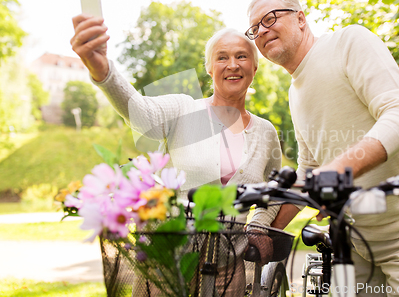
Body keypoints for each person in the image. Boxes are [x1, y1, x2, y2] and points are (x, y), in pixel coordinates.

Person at [246, 0, 399, 297]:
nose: (262, 30)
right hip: (354, 241)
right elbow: (310, 169)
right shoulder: (295, 92)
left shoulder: (348, 42)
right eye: (254, 29)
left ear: (300, 18)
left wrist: (336, 170)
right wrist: (264, 223)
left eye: (270, 18)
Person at [70, 15, 282, 294]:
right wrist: (102, 69)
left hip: (227, 271)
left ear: (254, 67)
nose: (232, 65)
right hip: (167, 264)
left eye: (242, 56)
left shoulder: (265, 132)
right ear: (209, 67)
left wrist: (259, 225)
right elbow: (140, 113)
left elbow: (277, 188)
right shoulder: (184, 109)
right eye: (222, 57)